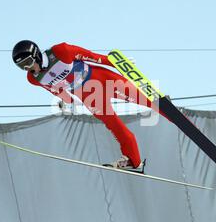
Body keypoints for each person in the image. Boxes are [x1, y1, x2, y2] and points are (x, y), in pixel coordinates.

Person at [12, 40, 169, 171]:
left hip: (98, 77)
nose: (28, 68)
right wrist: (68, 101)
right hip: (87, 96)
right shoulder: (33, 79)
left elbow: (92, 57)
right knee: (116, 126)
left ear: (37, 55)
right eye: (22, 67)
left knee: (140, 96)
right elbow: (55, 90)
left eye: (28, 63)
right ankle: (134, 161)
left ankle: (166, 108)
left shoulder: (61, 51)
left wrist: (118, 64)